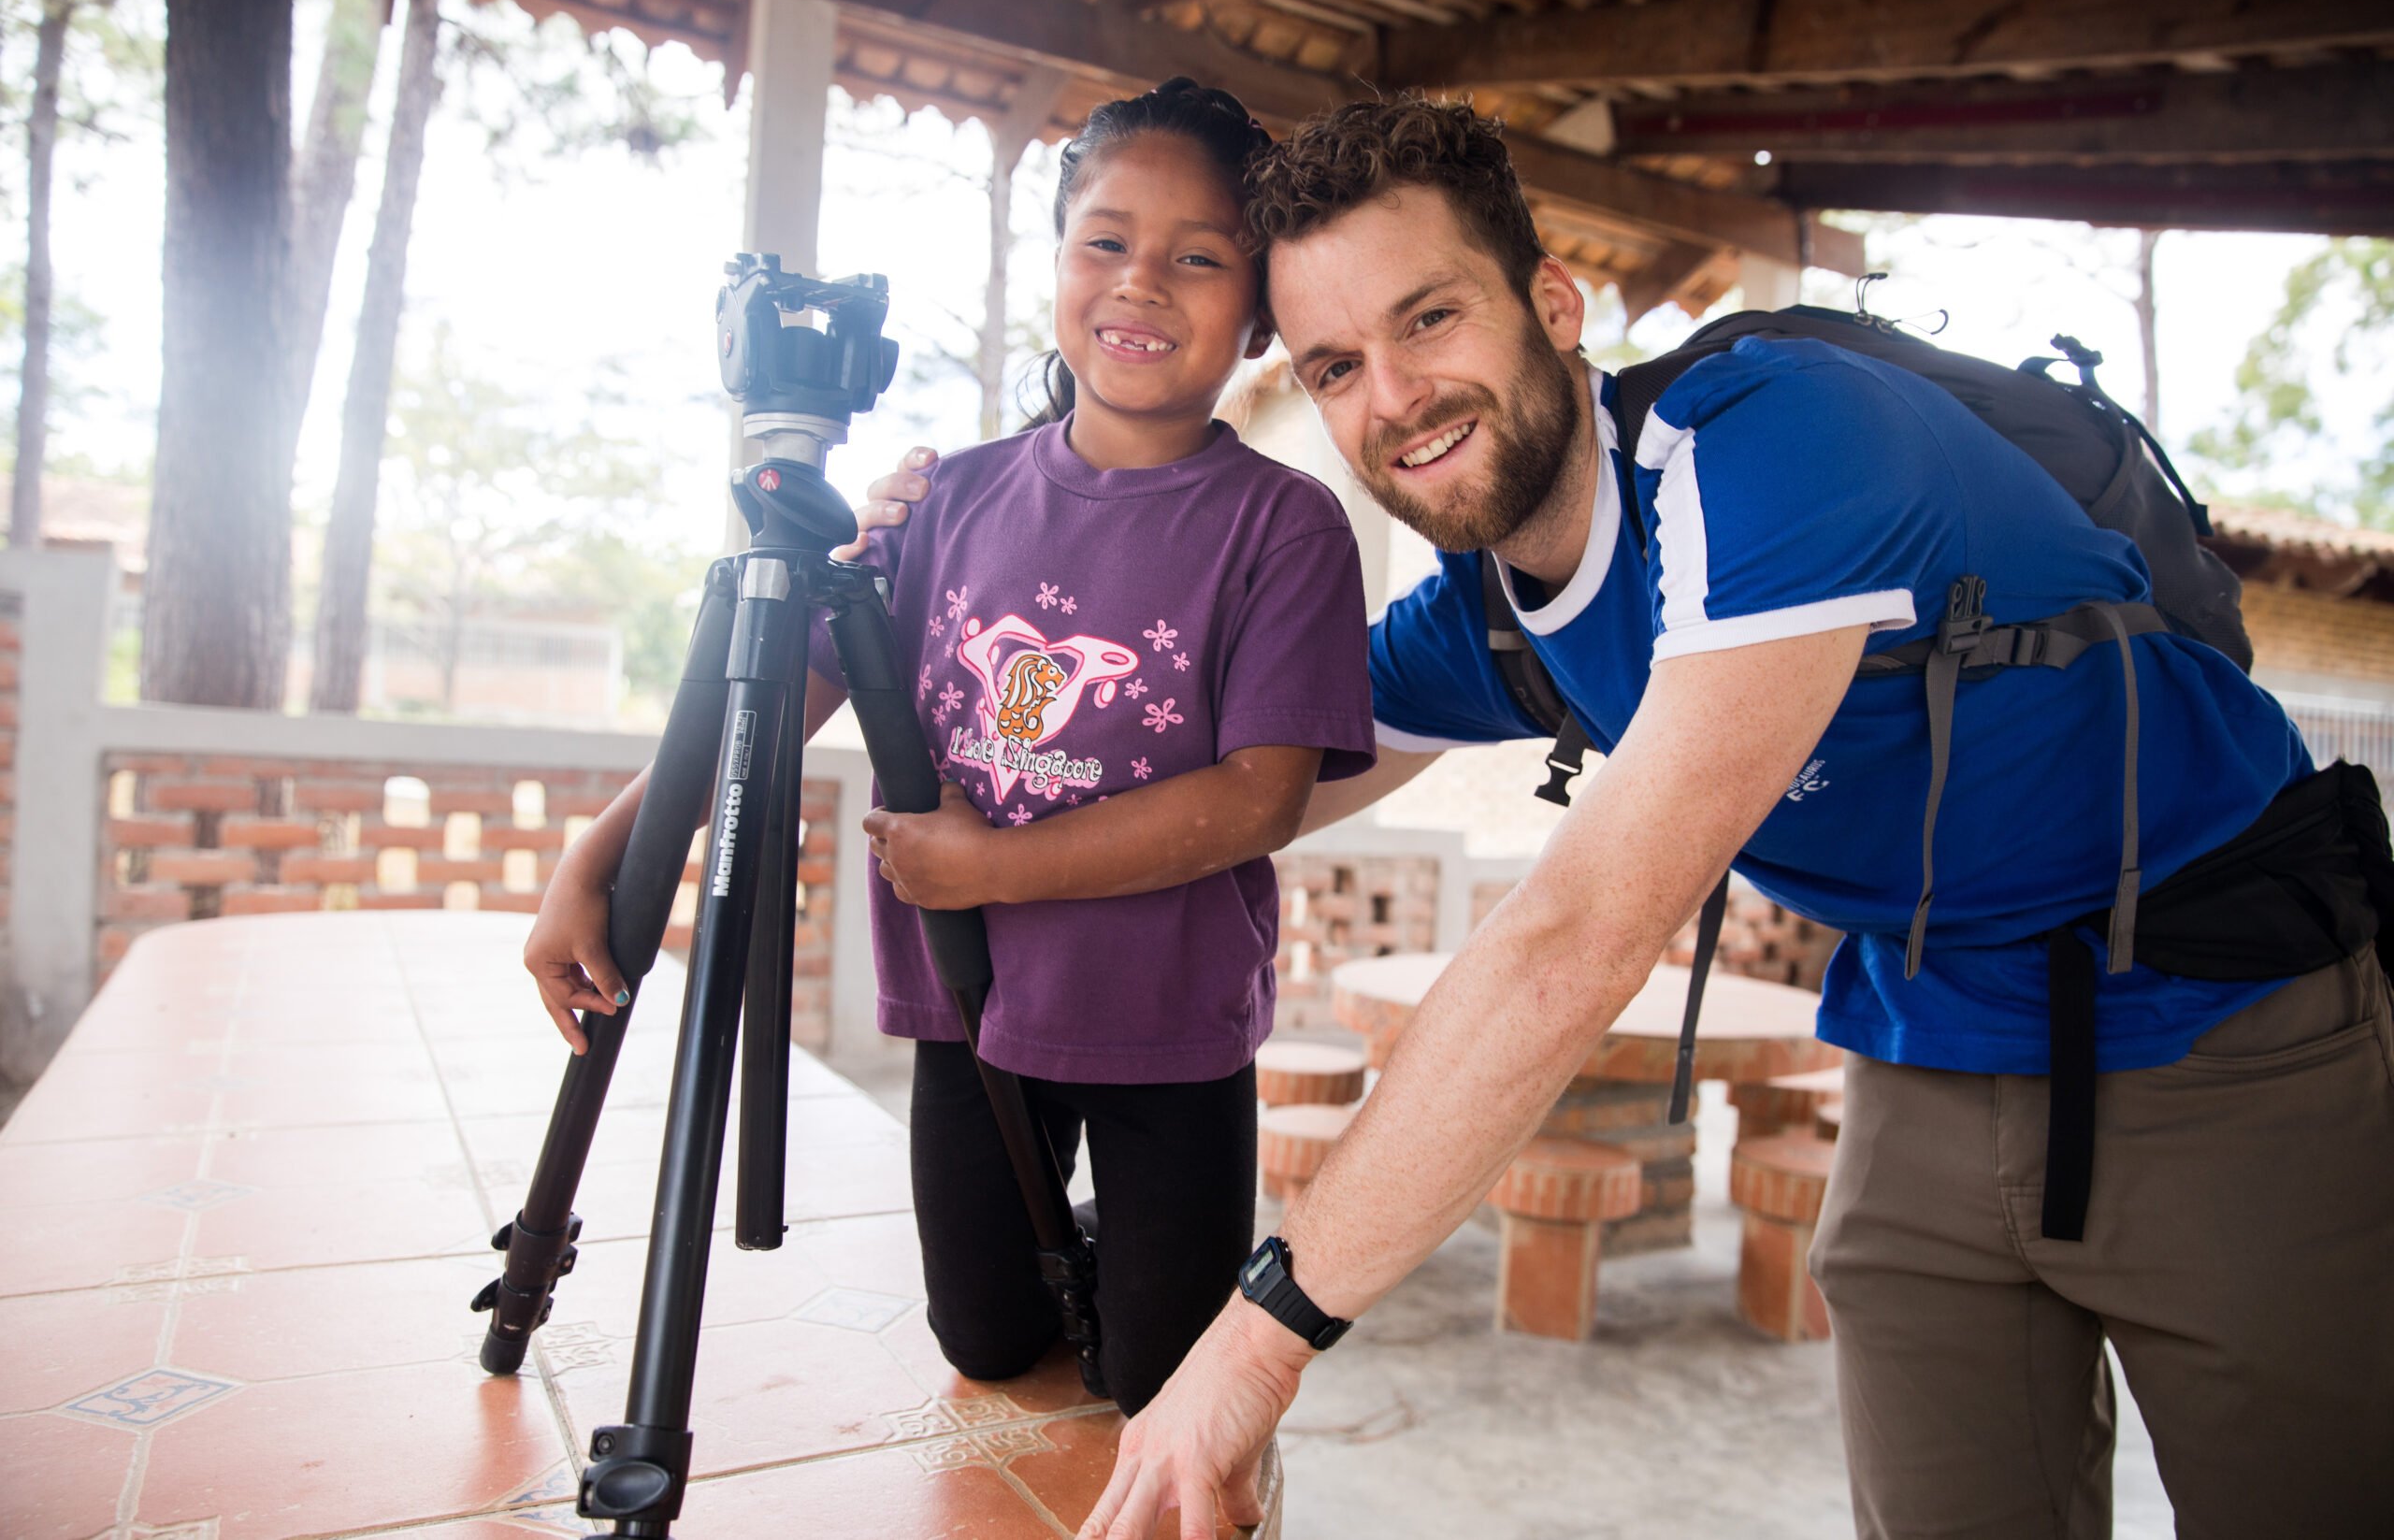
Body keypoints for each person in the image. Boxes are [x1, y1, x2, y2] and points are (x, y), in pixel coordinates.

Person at [860, 95, 2394, 1540]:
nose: (1391, 401)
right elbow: (1216, 792)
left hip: (2232, 1020)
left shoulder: (1778, 446)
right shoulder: (1491, 621)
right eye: (1333, 365)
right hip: (1934, 1037)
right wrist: (941, 583)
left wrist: (1251, 1347)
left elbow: (1576, 940)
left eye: (1431, 317)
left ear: (1557, 301)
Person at [520, 78, 1377, 1417]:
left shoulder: (1284, 527)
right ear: (1056, 264)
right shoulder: (947, 498)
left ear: (1258, 310)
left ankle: (1177, 1273)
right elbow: (779, 694)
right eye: (1106, 241)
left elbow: (1262, 797)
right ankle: (1122, 1262)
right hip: (975, 1008)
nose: (1142, 283)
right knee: (983, 1338)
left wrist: (994, 866)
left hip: (1171, 1024)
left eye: (1199, 257)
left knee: (1156, 1375)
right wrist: (605, 852)